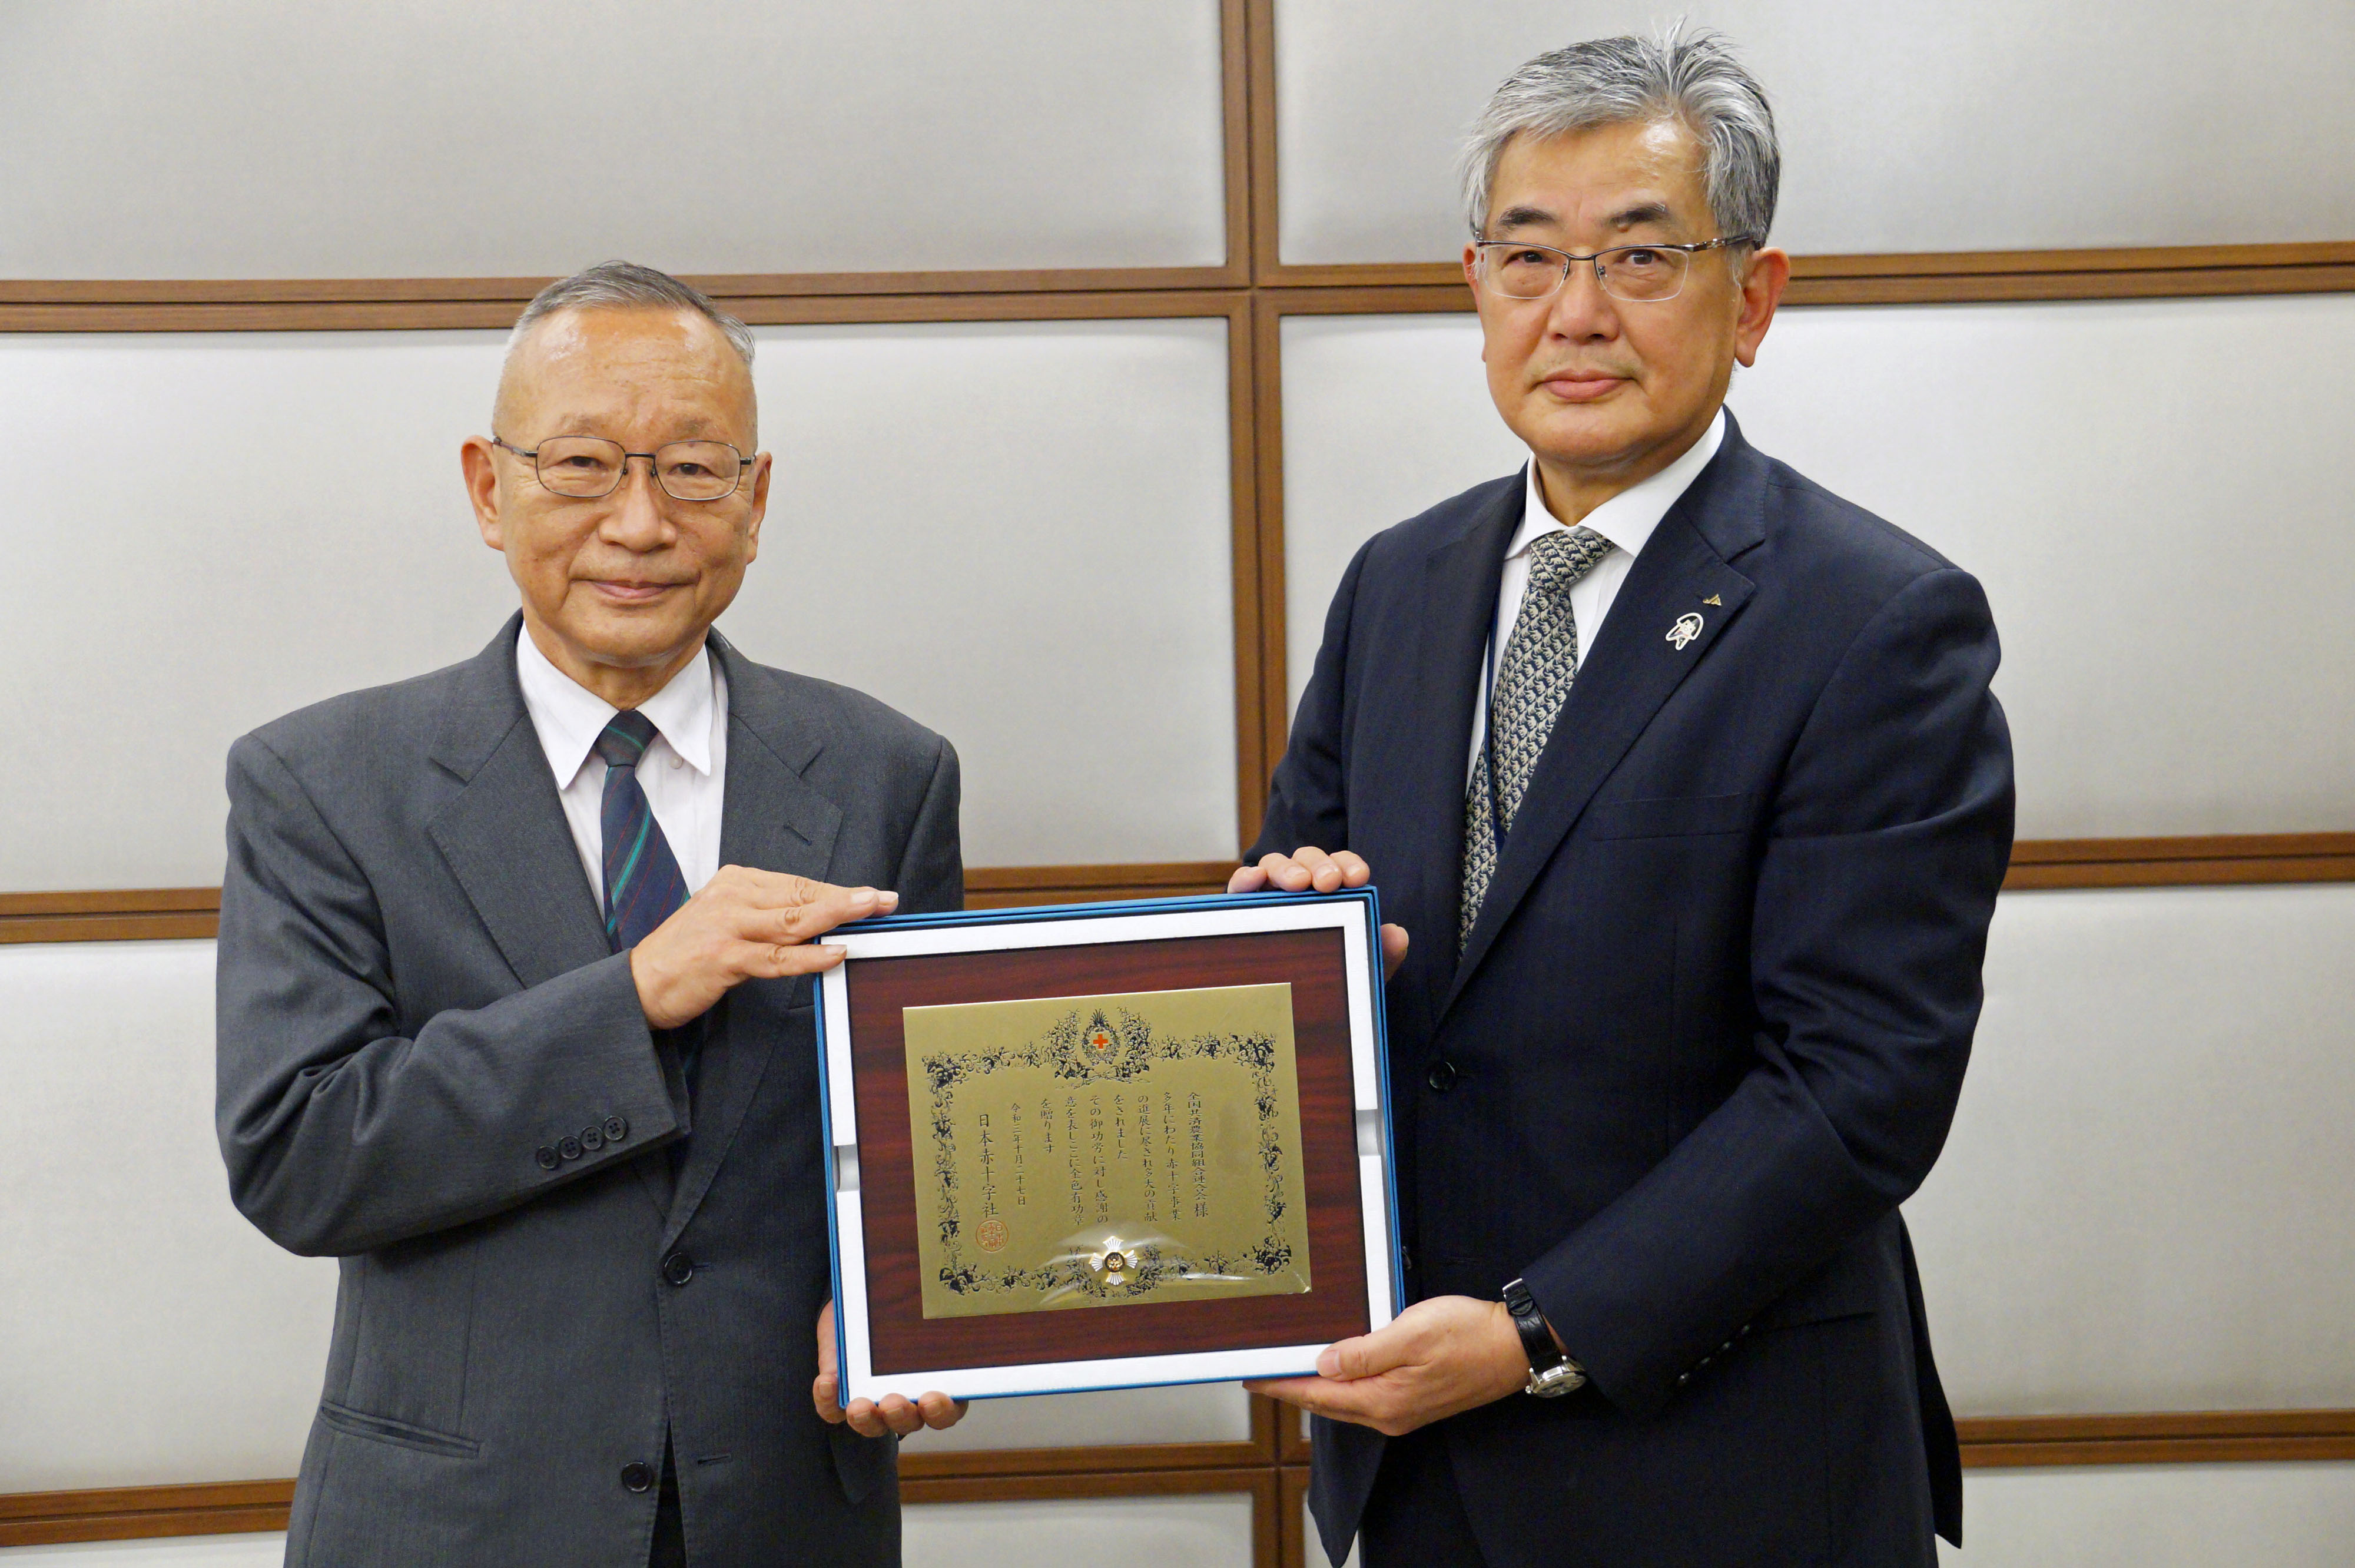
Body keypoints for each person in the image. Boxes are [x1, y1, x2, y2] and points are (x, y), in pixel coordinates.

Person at [1236, 30, 2012, 1567]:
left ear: (1756, 296)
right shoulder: (1397, 583)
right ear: (1477, 287)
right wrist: (1274, 952)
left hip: (1725, 1467)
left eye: (1640, 258)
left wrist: (1534, 1333)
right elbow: (1297, 895)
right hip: (1415, 1456)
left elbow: (1862, 1083)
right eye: (1529, 259)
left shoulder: (1877, 619)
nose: (1574, 312)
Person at [215, 261, 966, 1566]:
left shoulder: (885, 774)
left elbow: (917, 1149)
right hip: (454, 1525)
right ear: (485, 488)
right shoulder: (322, 784)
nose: (637, 523)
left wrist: (903, 1302)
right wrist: (632, 997)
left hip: (786, 1513)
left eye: (691, 469)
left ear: (756, 499)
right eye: (579, 465)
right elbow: (301, 1156)